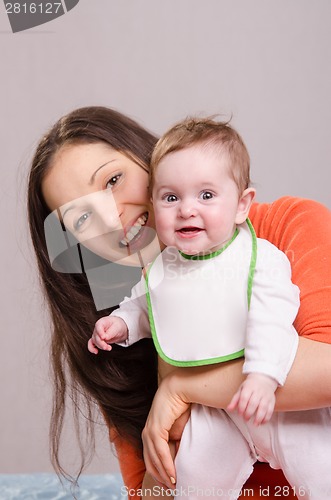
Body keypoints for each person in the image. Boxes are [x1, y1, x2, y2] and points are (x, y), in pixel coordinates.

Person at [27, 106, 331, 498]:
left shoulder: (283, 229)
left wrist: (180, 389)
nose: (110, 217)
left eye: (113, 180)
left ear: (149, 157)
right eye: (82, 219)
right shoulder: (119, 332)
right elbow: (149, 492)